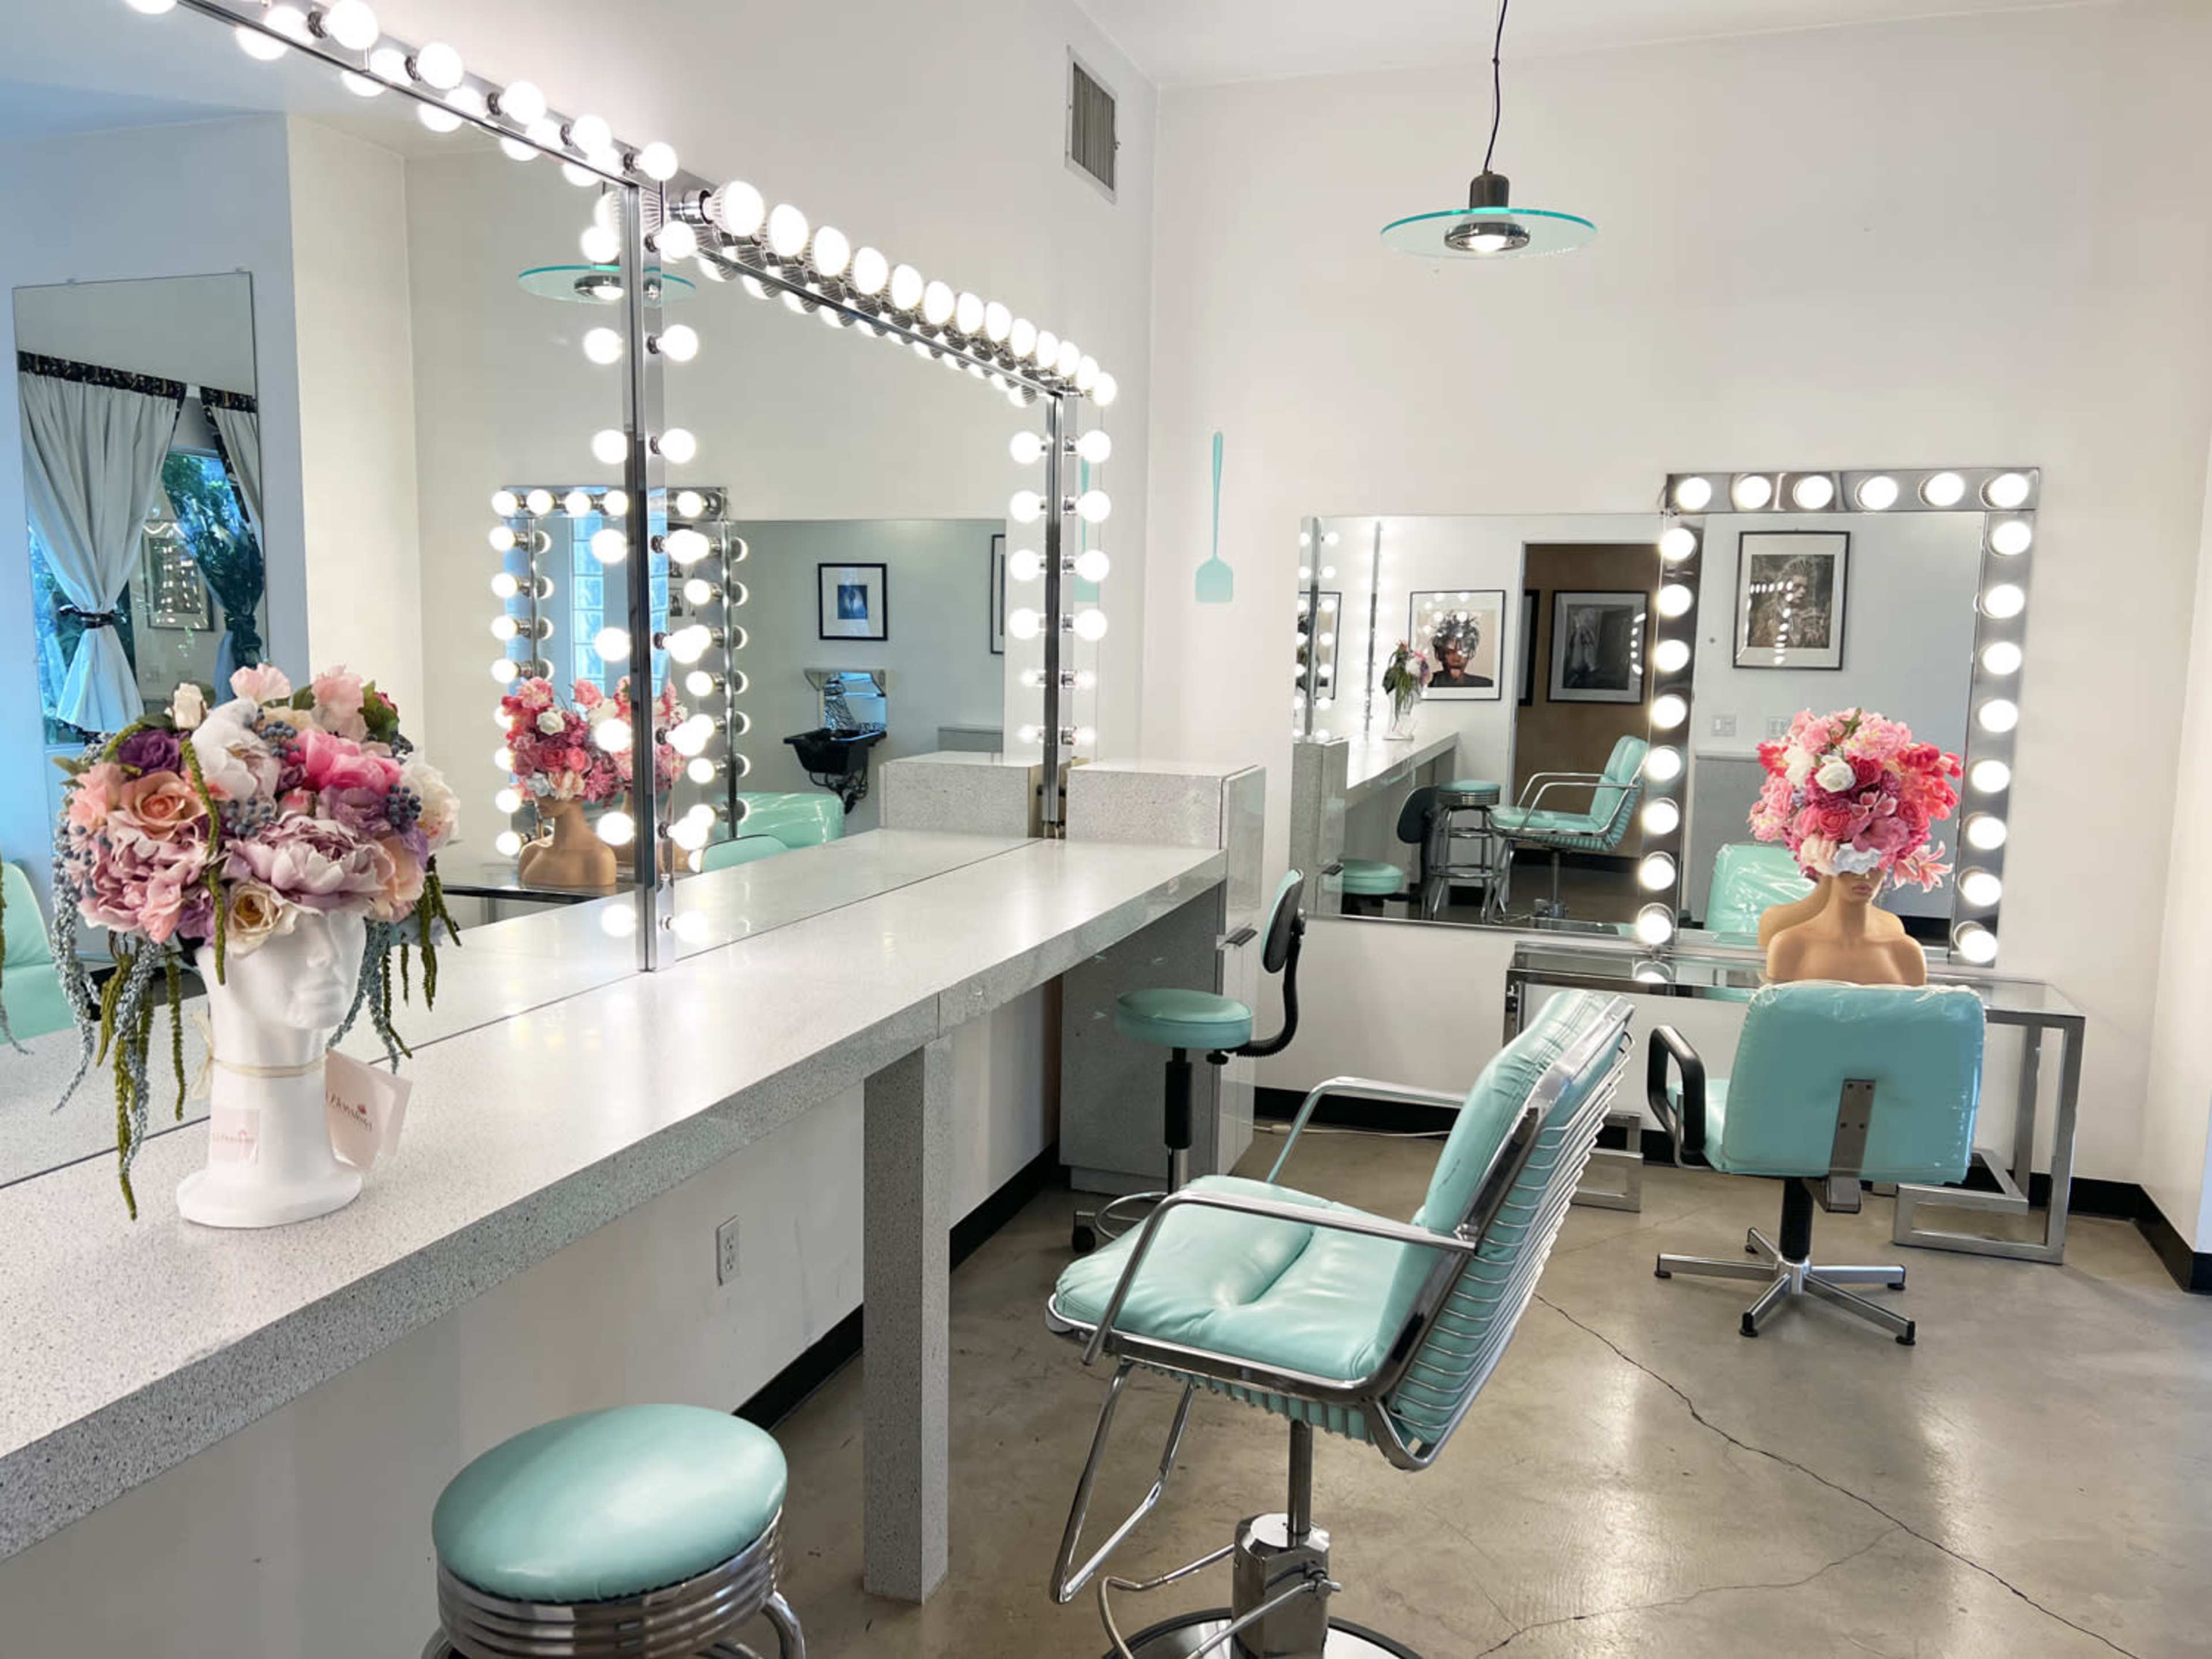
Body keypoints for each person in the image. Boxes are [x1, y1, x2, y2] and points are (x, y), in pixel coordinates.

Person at [1746, 708, 1961, 986]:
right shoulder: (1787, 942)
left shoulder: (1902, 949)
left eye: (1875, 863)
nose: (1864, 874)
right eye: (1852, 860)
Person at [1429, 612, 1493, 689]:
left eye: (1463, 652)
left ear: (1470, 654)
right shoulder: (1427, 685)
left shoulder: (1486, 686)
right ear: (1440, 654)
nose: (1457, 659)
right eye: (1450, 652)